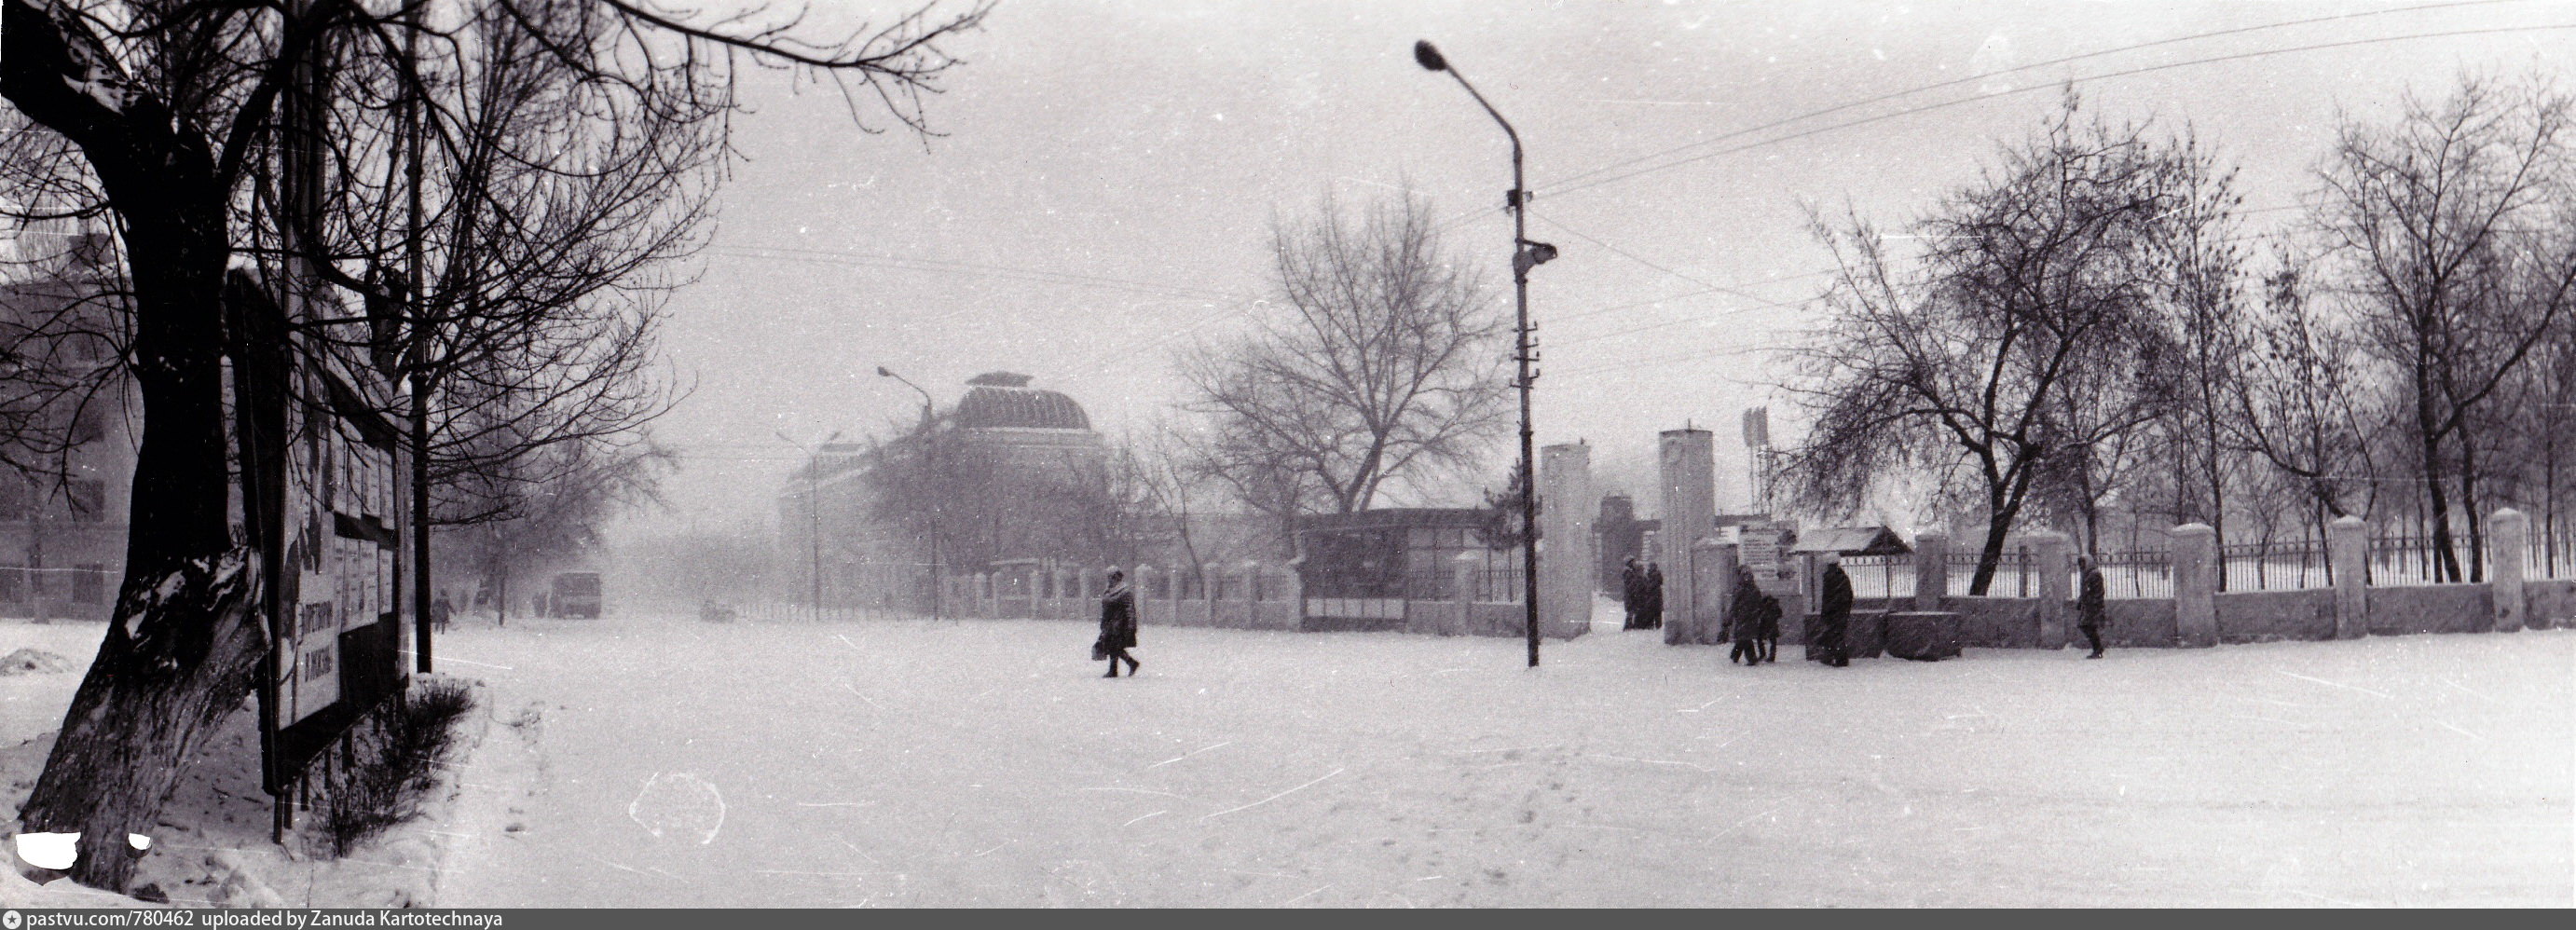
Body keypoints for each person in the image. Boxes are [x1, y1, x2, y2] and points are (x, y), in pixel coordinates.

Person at [1096, 569, 1141, 677]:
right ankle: (1129, 664)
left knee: (1114, 646)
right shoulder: (1108, 590)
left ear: (1116, 578)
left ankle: (1115, 669)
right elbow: (1105, 608)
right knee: (1113, 646)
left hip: (1120, 625)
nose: (1109, 580)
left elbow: (1130, 609)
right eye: (1108, 577)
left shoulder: (1125, 592)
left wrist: (1131, 625)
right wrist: (1103, 622)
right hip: (1110, 624)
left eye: (1111, 577)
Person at [1817, 554, 1854, 667]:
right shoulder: (1842, 577)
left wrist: (1826, 611)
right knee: (1837, 635)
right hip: (1840, 611)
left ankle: (1835, 658)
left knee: (1833, 635)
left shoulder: (1829, 577)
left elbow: (1826, 597)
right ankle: (1838, 658)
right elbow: (1848, 595)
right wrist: (1845, 609)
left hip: (1832, 611)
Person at [1728, 570, 1765, 665]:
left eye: (1748, 577)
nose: (1747, 579)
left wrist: (1757, 612)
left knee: (1744, 637)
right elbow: (1735, 603)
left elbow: (1759, 603)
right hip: (1744, 616)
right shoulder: (1744, 589)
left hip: (1749, 616)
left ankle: (1743, 656)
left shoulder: (1751, 590)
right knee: (1744, 637)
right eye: (1745, 577)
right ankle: (1739, 655)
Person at [2077, 554, 2107, 659]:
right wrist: (2081, 601)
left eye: (2083, 563)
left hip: (2093, 606)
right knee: (2088, 626)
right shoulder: (2087, 574)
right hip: (2089, 605)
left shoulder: (2094, 574)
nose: (2081, 566)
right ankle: (2097, 648)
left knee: (2086, 625)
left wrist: (2092, 601)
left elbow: (2097, 591)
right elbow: (2085, 591)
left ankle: (2098, 648)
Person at [1757, 593, 1784, 663]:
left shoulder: (1764, 606)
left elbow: (1760, 614)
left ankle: (1763, 655)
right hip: (1772, 625)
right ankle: (1771, 656)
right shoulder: (1774, 606)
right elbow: (1780, 614)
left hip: (1765, 625)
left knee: (1760, 639)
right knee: (1772, 641)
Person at [1620, 557, 1646, 630]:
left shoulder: (1630, 572)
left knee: (1632, 610)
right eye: (1633, 562)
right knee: (1631, 610)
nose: (1635, 563)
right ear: (1630, 563)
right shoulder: (1628, 572)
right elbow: (1631, 584)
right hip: (1630, 595)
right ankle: (1628, 626)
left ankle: (1629, 625)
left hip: (1631, 594)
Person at [1638, 562, 1665, 630]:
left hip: (1653, 597)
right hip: (1654, 597)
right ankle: (1656, 626)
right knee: (1656, 612)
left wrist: (1647, 588)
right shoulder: (1653, 575)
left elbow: (1651, 586)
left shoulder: (1653, 575)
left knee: (1653, 612)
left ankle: (1652, 626)